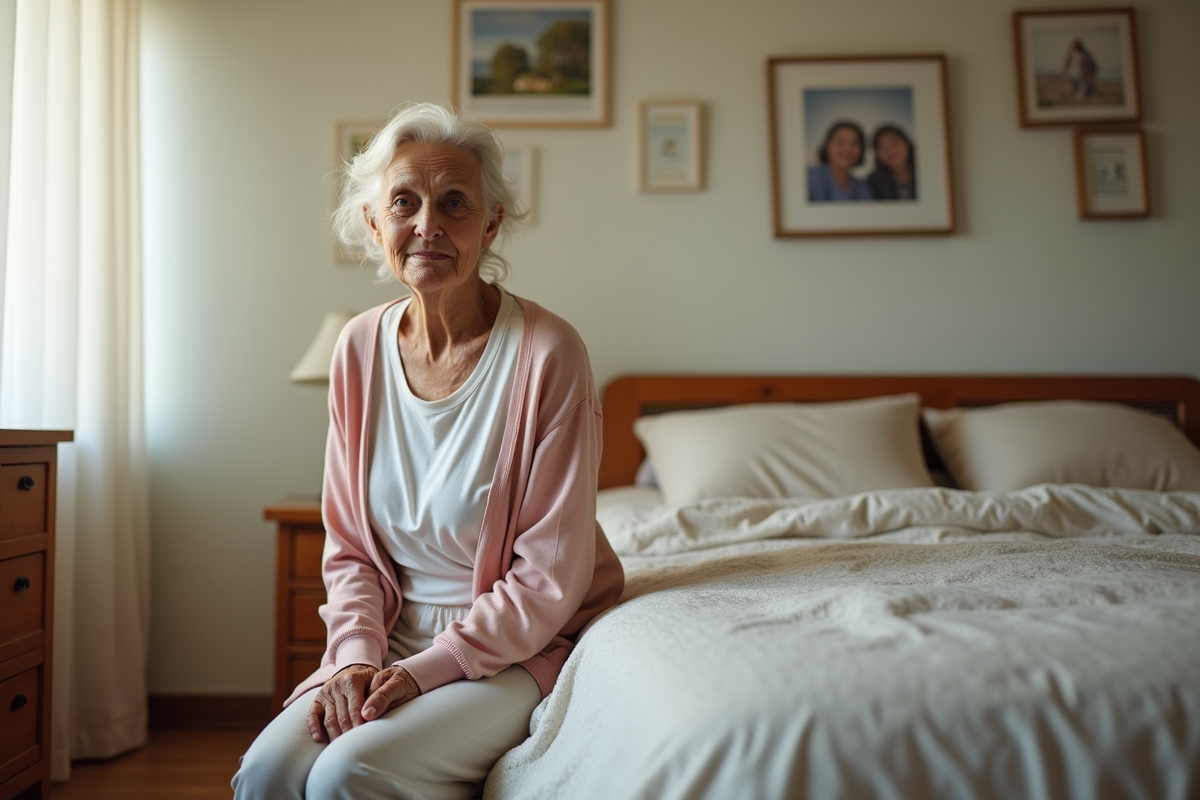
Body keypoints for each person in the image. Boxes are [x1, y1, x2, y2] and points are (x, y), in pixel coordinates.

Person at [232, 102, 625, 800]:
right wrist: (353, 658)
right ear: (374, 223)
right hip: (386, 639)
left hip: (511, 648)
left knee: (347, 775)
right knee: (267, 774)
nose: (428, 226)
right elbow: (350, 549)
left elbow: (548, 578)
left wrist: (426, 671)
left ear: (491, 223)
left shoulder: (548, 352)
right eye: (405, 203)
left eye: (454, 203)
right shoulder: (357, 348)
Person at [807, 120, 873, 202]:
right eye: (840, 142)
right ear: (827, 146)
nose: (847, 149)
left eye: (854, 143)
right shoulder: (810, 177)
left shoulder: (861, 187)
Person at [867, 124, 917, 201]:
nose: (890, 151)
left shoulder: (926, 174)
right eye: (882, 147)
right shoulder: (873, 182)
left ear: (906, 143)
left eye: (893, 143)